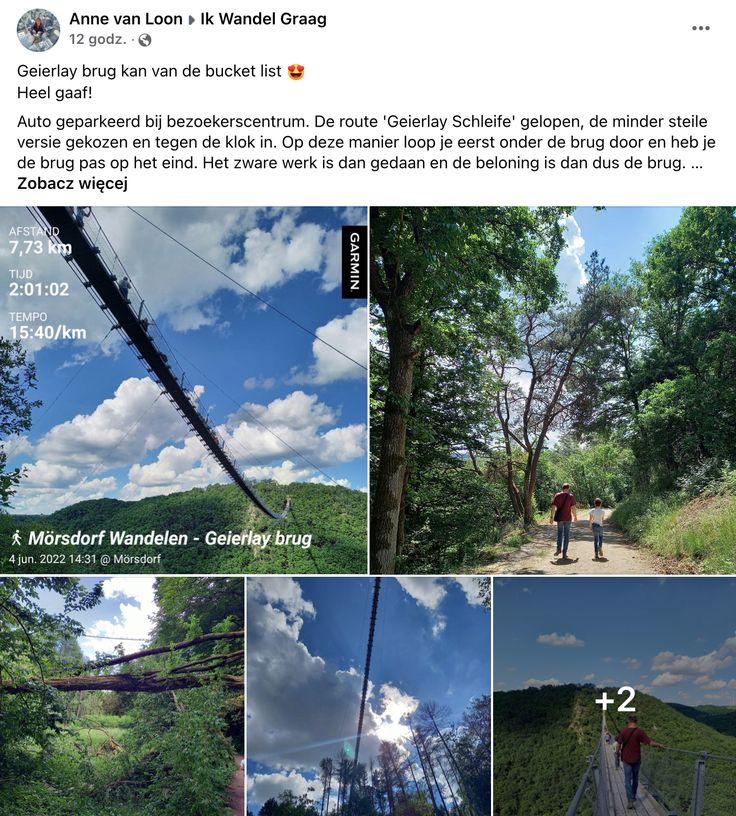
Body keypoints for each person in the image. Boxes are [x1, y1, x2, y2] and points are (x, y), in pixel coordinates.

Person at [615, 714, 665, 809]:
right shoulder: (640, 732)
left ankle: (630, 800)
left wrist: (616, 754)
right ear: (636, 721)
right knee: (635, 779)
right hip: (637, 759)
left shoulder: (623, 731)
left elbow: (618, 744)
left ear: (629, 721)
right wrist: (659, 744)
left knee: (627, 780)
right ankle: (633, 796)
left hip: (626, 759)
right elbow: (649, 742)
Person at [549, 483, 577, 558]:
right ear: (568, 488)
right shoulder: (570, 496)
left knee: (559, 534)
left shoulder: (557, 495)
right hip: (567, 518)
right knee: (566, 535)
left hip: (560, 519)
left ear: (562, 488)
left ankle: (558, 549)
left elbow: (553, 507)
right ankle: (564, 553)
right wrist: (575, 516)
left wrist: (551, 517)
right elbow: (573, 508)